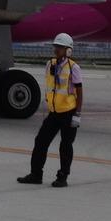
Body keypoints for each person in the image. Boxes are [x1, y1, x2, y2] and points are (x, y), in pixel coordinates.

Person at [17, 32, 83, 187]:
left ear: (68, 50)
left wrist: (77, 114)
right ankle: (36, 174)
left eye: (60, 47)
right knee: (40, 141)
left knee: (65, 145)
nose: (56, 49)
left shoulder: (73, 68)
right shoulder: (50, 64)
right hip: (54, 113)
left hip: (69, 112)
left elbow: (80, 93)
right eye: (56, 46)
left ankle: (62, 177)